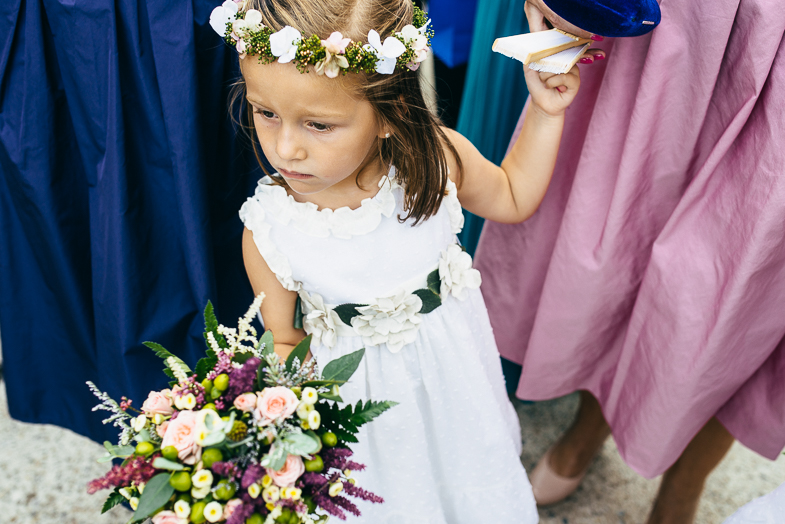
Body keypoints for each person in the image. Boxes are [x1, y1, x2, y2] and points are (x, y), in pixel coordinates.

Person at [209, 0, 581, 520]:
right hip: (361, 414)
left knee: (467, 481)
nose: (286, 148)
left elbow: (514, 196)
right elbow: (284, 338)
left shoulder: (435, 159)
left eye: (318, 125)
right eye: (266, 112)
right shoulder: (269, 227)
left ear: (391, 114)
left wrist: (546, 111)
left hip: (455, 384)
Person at [474, 0, 785, 523]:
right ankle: (590, 422)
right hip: (688, 16)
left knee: (744, 297)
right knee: (627, 228)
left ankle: (685, 484)